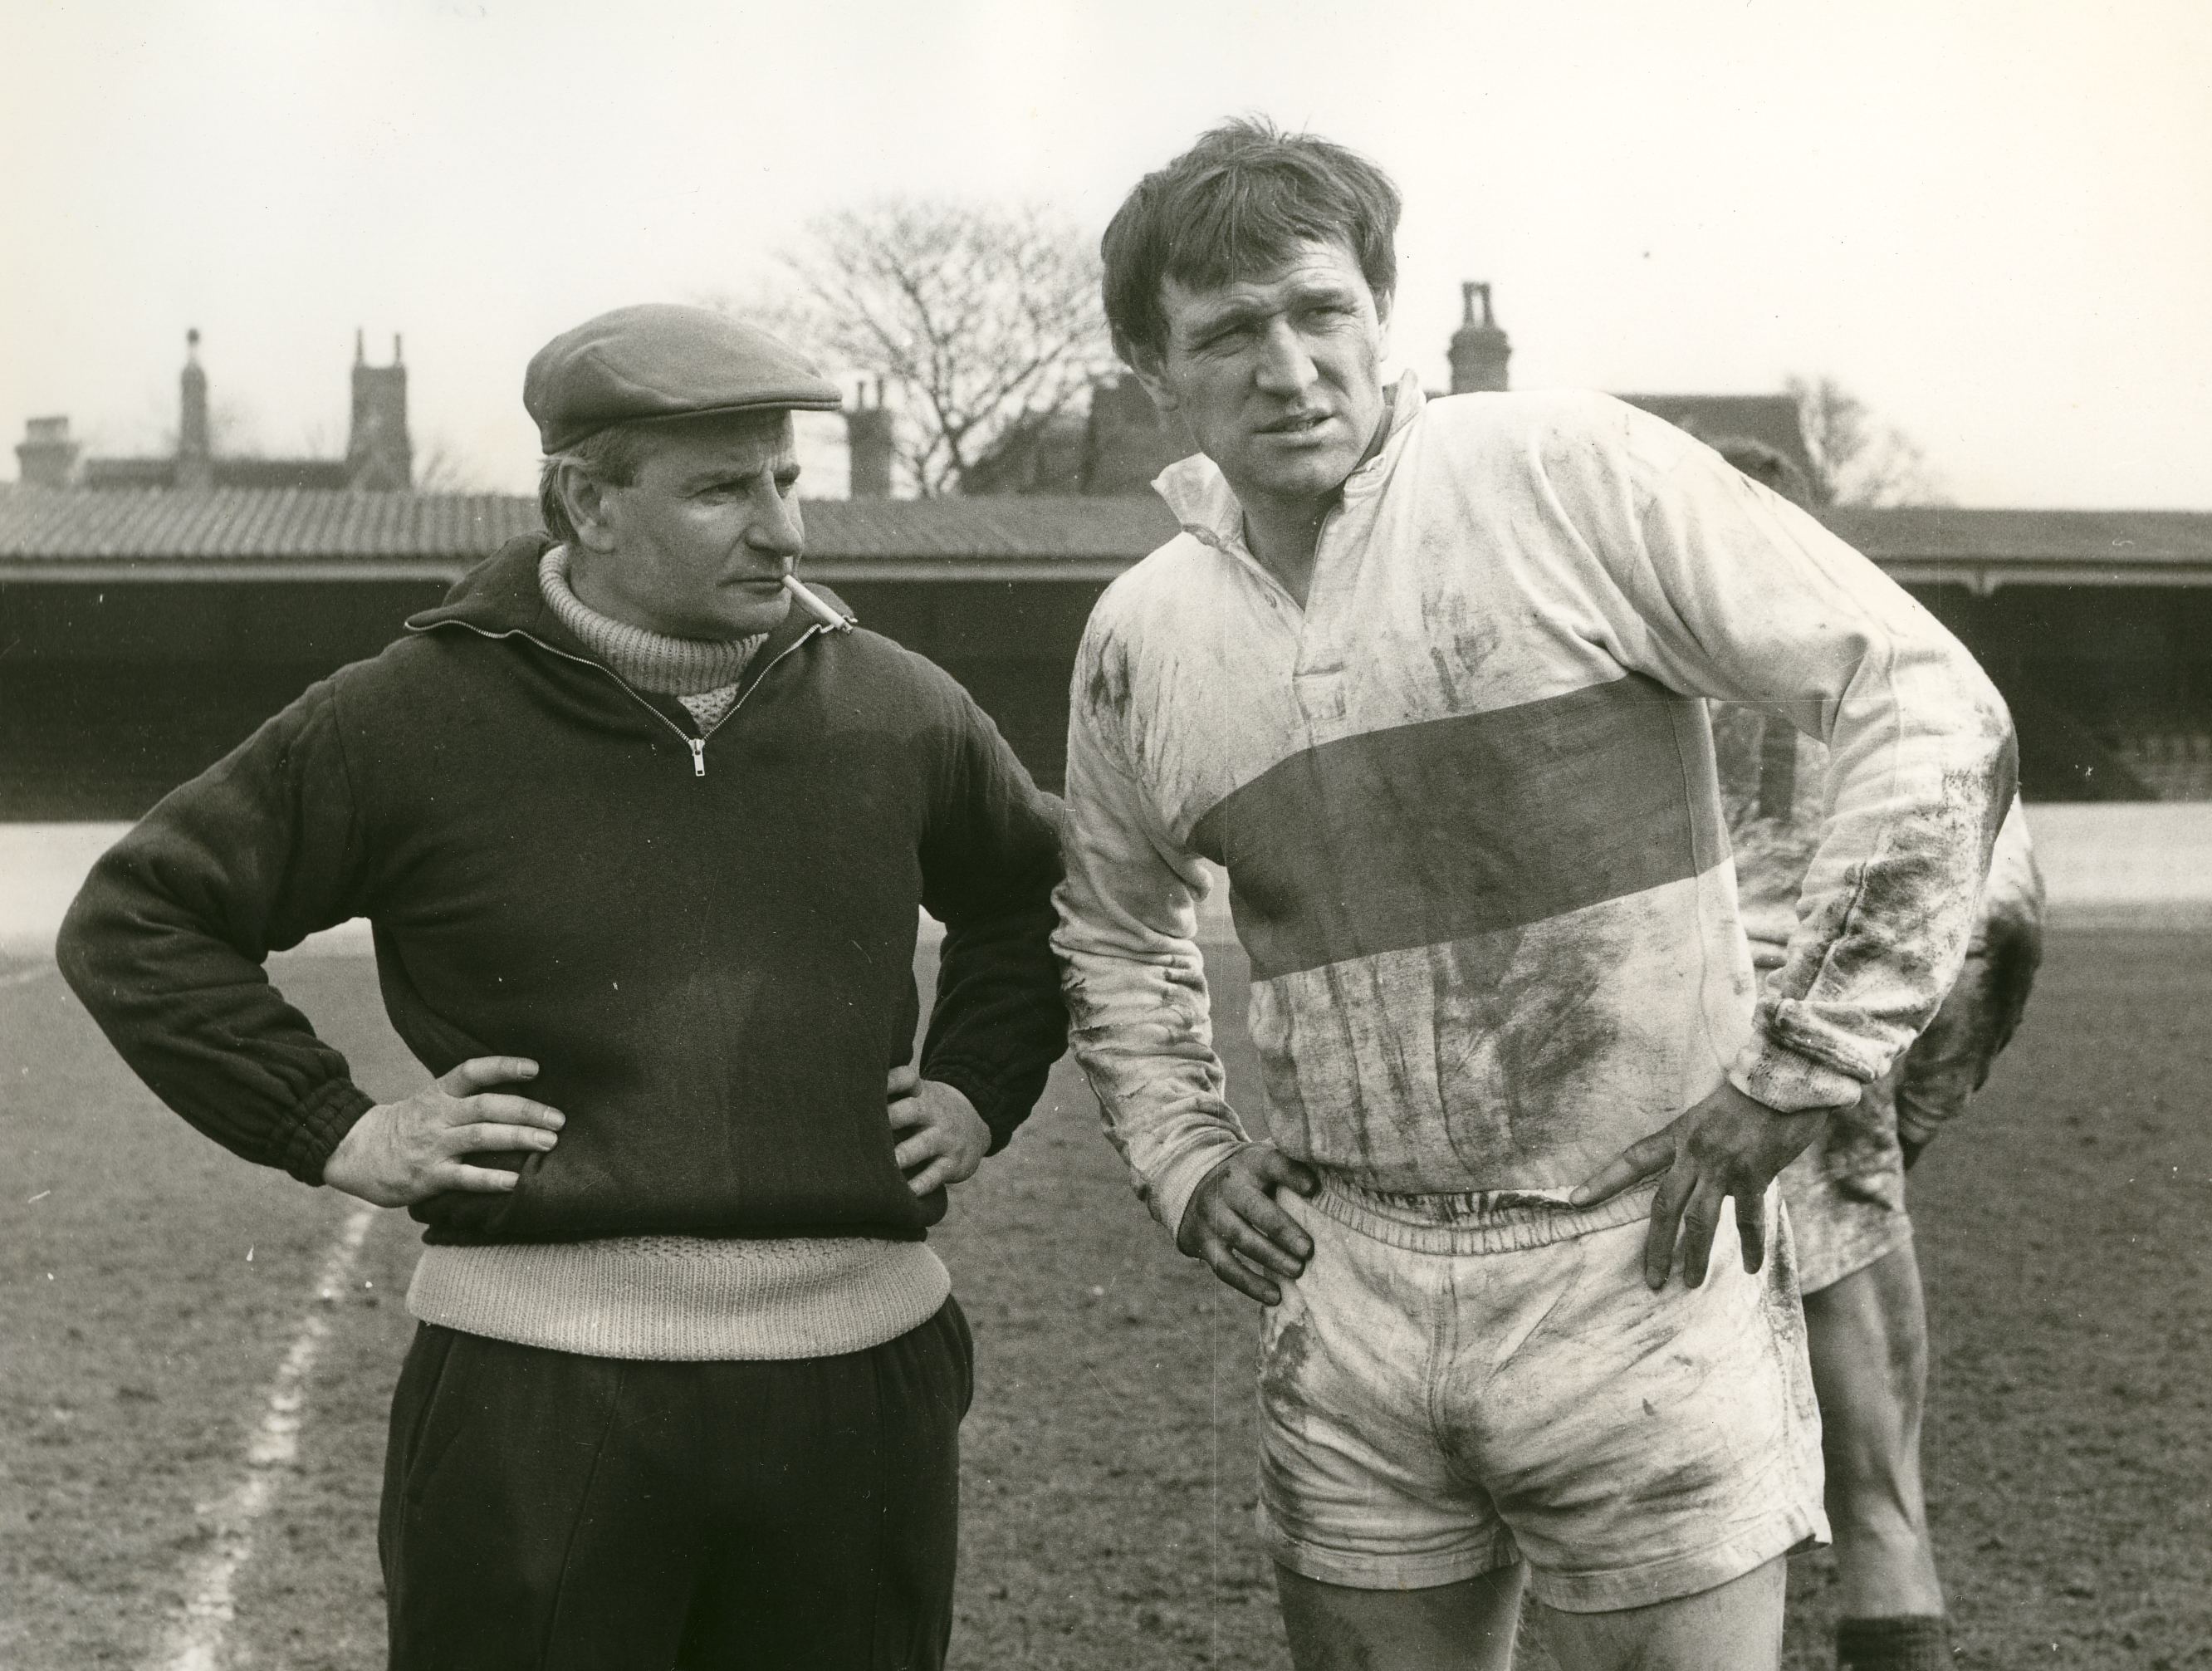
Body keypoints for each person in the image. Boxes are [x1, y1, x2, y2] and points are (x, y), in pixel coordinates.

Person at [1053, 120, 2016, 1670]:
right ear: (1153, 367)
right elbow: (1113, 928)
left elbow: (1926, 699)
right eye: (1228, 333)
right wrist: (1181, 1152)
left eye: (1322, 311)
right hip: (1347, 1286)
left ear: (1382, 312)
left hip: (1643, 1259)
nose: (1290, 369)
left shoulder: (1565, 472)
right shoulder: (1141, 634)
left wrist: (1809, 1058)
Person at [58, 303, 1067, 1671]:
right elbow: (141, 914)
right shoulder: (405, 712)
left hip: (858, 1393)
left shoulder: (902, 705)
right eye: (723, 490)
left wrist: (977, 1084)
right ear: (588, 503)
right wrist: (333, 1125)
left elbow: (1037, 895)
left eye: (787, 479)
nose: (783, 529)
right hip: (538, 1403)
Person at [1711, 439, 2046, 1671]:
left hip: (1653, 1075)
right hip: (1829, 1066)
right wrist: (1899, 1118)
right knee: (1881, 1506)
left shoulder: (1614, 661)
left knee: (1632, 1491)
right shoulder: (1904, 665)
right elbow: (2003, 921)